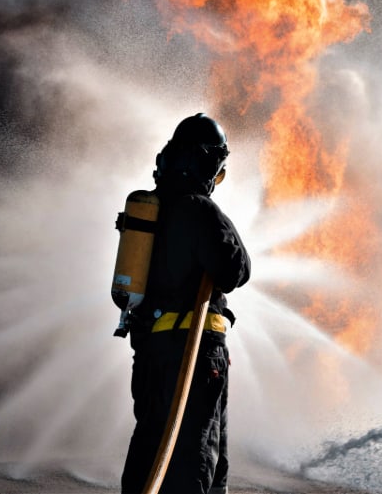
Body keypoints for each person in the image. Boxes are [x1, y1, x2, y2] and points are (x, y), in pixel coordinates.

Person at [120, 113, 251, 494]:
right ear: (207, 162)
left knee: (150, 450)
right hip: (193, 359)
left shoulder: (152, 209)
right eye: (218, 169)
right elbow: (235, 270)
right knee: (194, 460)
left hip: (150, 357)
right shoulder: (198, 209)